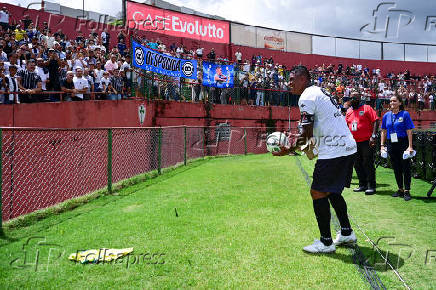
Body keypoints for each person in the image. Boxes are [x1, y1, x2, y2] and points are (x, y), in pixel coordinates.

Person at [273, 66, 357, 253]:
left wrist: (289, 149)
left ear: (304, 79)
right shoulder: (318, 91)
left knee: (317, 192)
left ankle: (326, 242)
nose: (289, 83)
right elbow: (313, 129)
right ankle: (346, 232)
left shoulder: (307, 96)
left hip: (335, 151)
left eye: (293, 78)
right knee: (332, 191)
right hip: (346, 147)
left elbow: (307, 133)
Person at [380, 95, 415, 201]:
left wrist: (410, 146)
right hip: (391, 144)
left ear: (400, 103)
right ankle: (400, 189)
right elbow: (384, 131)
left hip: (403, 143)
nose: (392, 102)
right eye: (390, 101)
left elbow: (409, 131)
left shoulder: (405, 114)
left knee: (406, 167)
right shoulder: (386, 115)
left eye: (394, 101)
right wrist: (382, 145)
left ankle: (407, 190)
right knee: (396, 168)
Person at [345, 91, 379, 195]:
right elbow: (347, 126)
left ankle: (371, 185)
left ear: (360, 98)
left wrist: (373, 136)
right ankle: (362, 184)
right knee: (357, 164)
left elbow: (376, 121)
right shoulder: (349, 111)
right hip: (354, 142)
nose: (353, 99)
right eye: (351, 98)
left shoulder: (367, 108)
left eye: (355, 97)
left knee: (367, 163)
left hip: (366, 141)